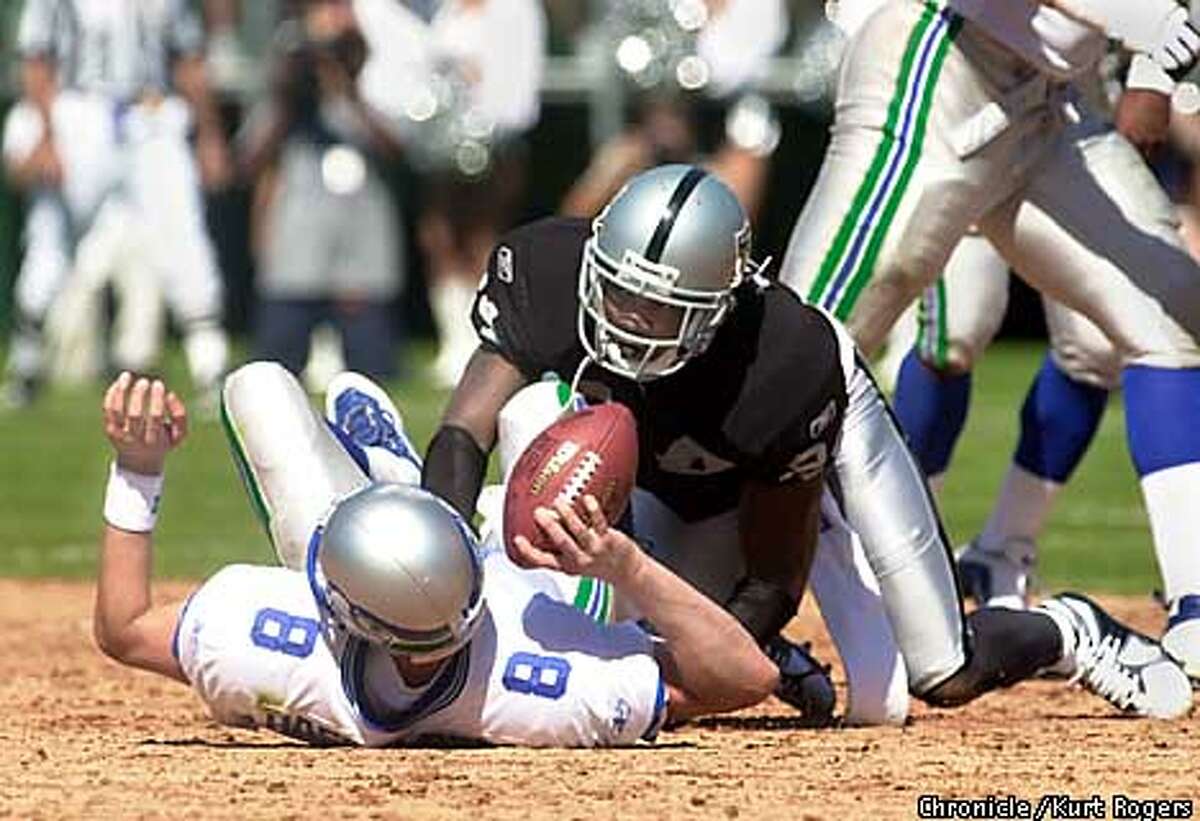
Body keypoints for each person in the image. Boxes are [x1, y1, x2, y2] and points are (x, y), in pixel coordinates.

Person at [421, 163, 1193, 722]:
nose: (631, 323)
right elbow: (463, 434)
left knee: (928, 676)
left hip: (807, 457)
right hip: (674, 466)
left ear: (720, 307)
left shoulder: (777, 365)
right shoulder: (546, 271)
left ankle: (1066, 629)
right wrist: (435, 582)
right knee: (533, 421)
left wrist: (709, 670)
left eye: (663, 311)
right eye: (621, 294)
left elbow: (774, 579)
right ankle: (778, 660)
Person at [776, 0, 1200, 680]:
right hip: (945, 66)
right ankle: (678, 584)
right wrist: (1140, 19)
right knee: (803, 345)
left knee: (1171, 311)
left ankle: (1196, 608)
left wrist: (1149, 64)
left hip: (1051, 103)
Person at [93, 363, 776, 747]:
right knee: (541, 403)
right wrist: (623, 565)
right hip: (536, 600)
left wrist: (138, 465)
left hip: (455, 599)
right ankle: (395, 482)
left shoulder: (260, 641)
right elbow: (746, 676)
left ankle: (392, 477)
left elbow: (124, 627)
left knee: (257, 388)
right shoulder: (555, 687)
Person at [2, 0, 231, 408]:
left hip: (153, 112)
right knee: (52, 239)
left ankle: (210, 368)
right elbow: (38, 59)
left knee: (183, 237)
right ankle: (26, 365)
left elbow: (189, 58)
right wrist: (47, 133)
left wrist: (208, 134)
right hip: (80, 110)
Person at [238, 0, 407, 385]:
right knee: (273, 374)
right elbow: (248, 161)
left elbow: (400, 150)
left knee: (375, 371)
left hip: (363, 248)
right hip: (297, 247)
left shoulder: (379, 81)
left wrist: (349, 87)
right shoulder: (284, 89)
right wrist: (290, 95)